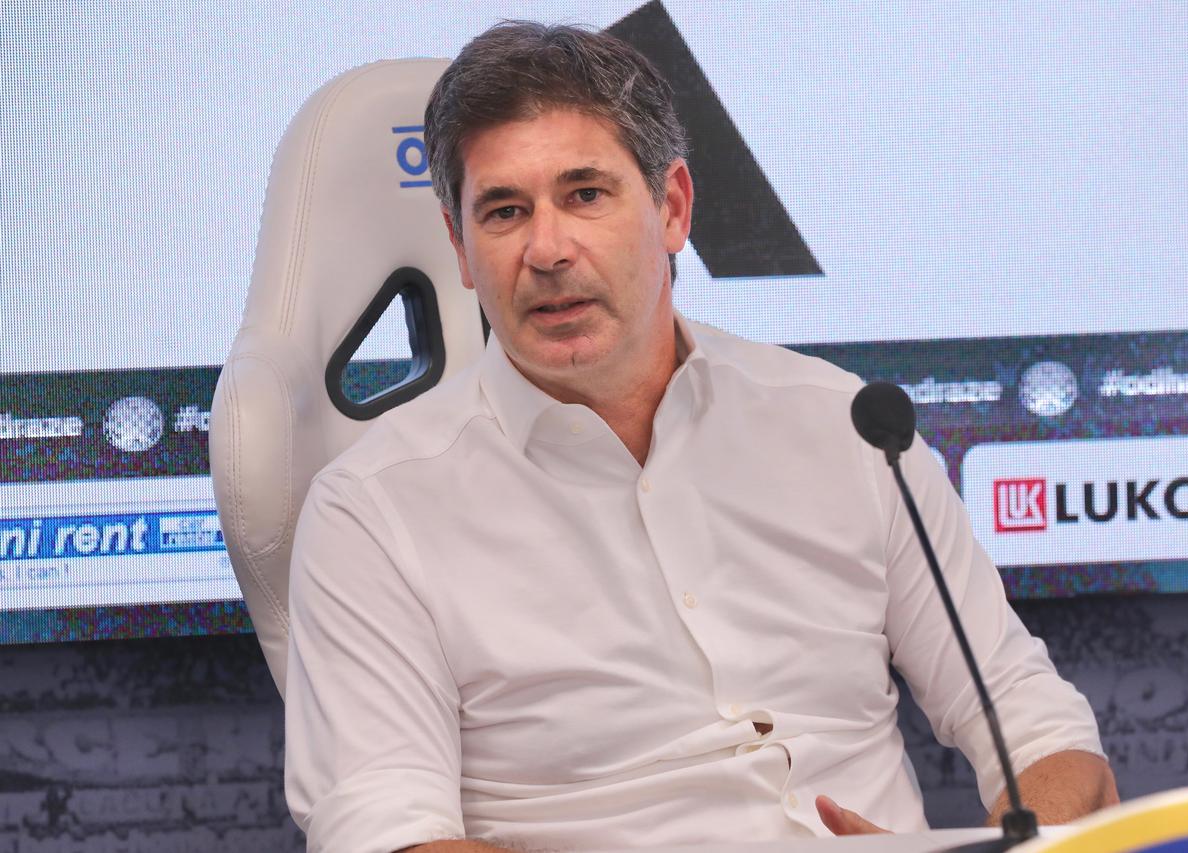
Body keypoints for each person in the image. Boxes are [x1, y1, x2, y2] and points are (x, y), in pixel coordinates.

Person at [283, 21, 1118, 853]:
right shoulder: (374, 510)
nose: (547, 249)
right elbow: (385, 832)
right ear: (461, 248)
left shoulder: (847, 426)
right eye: (504, 212)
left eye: (586, 194)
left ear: (672, 207)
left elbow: (1033, 719)